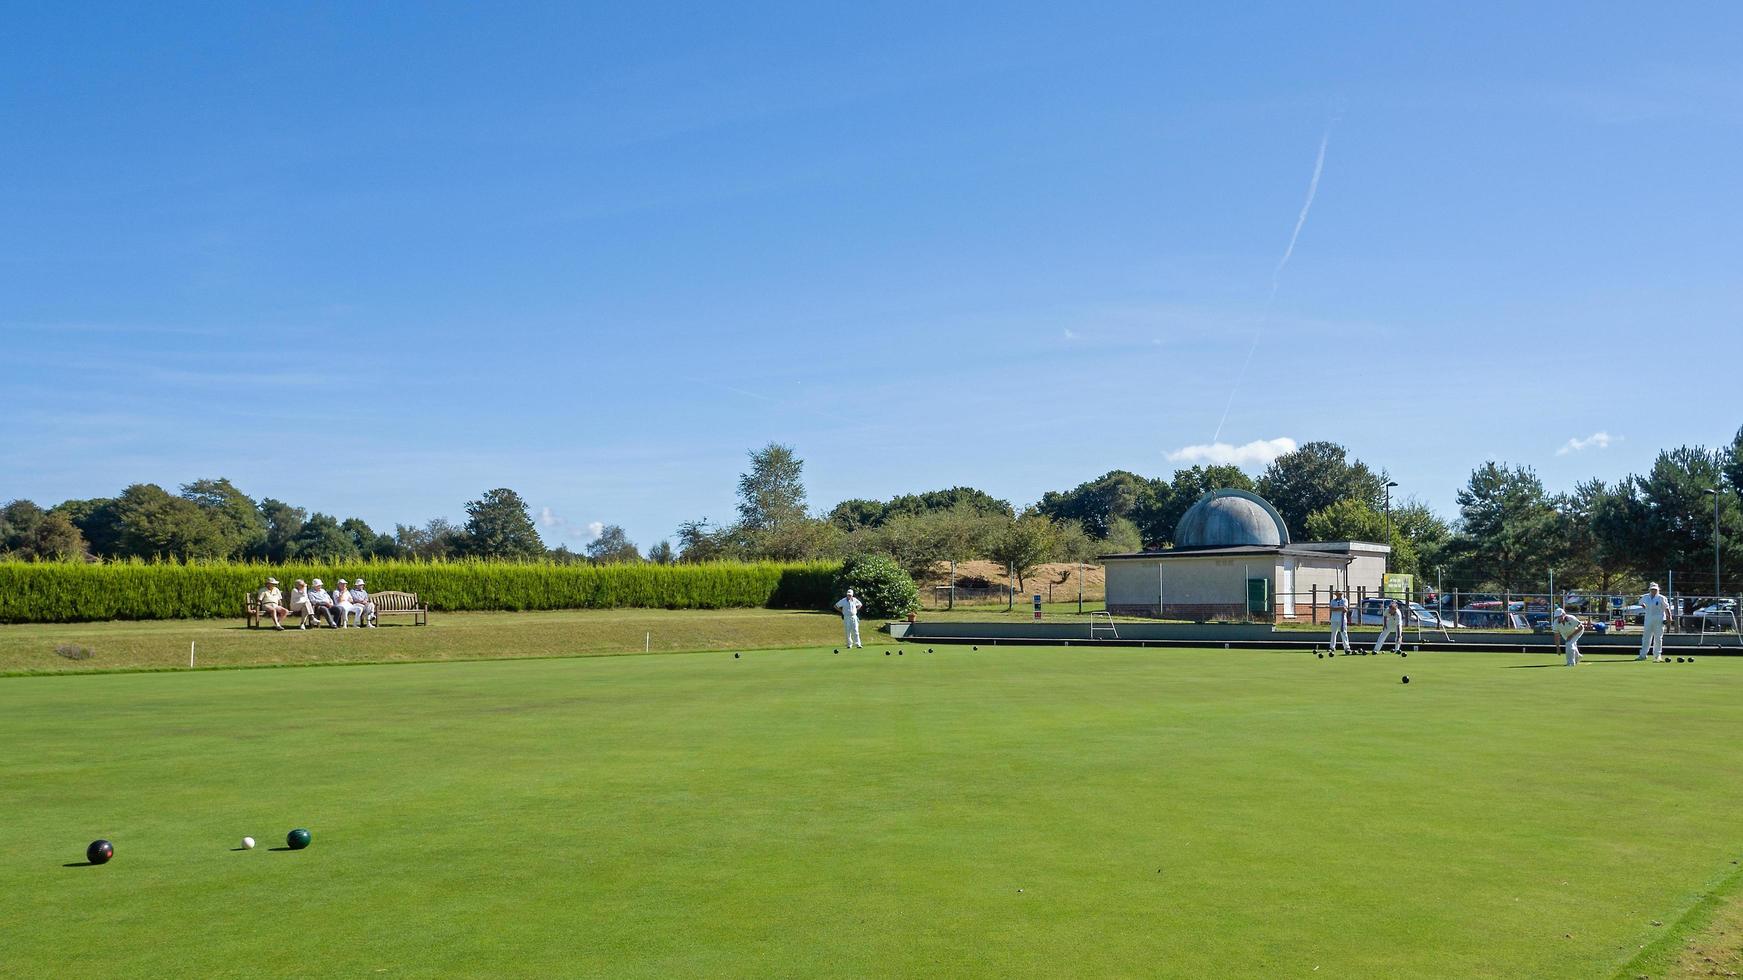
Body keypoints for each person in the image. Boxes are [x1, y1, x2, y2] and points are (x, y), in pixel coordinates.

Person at [1635, 582, 1670, 662]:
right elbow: (1640, 602)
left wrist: (1669, 617)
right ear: (1650, 589)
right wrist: (1645, 608)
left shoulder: (1662, 598)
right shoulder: (1645, 597)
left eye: (1655, 589)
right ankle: (1643, 655)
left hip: (1659, 619)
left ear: (1658, 590)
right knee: (1646, 638)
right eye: (1652, 589)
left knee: (1658, 638)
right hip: (1648, 619)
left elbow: (1666, 608)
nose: (1654, 591)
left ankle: (1657, 656)